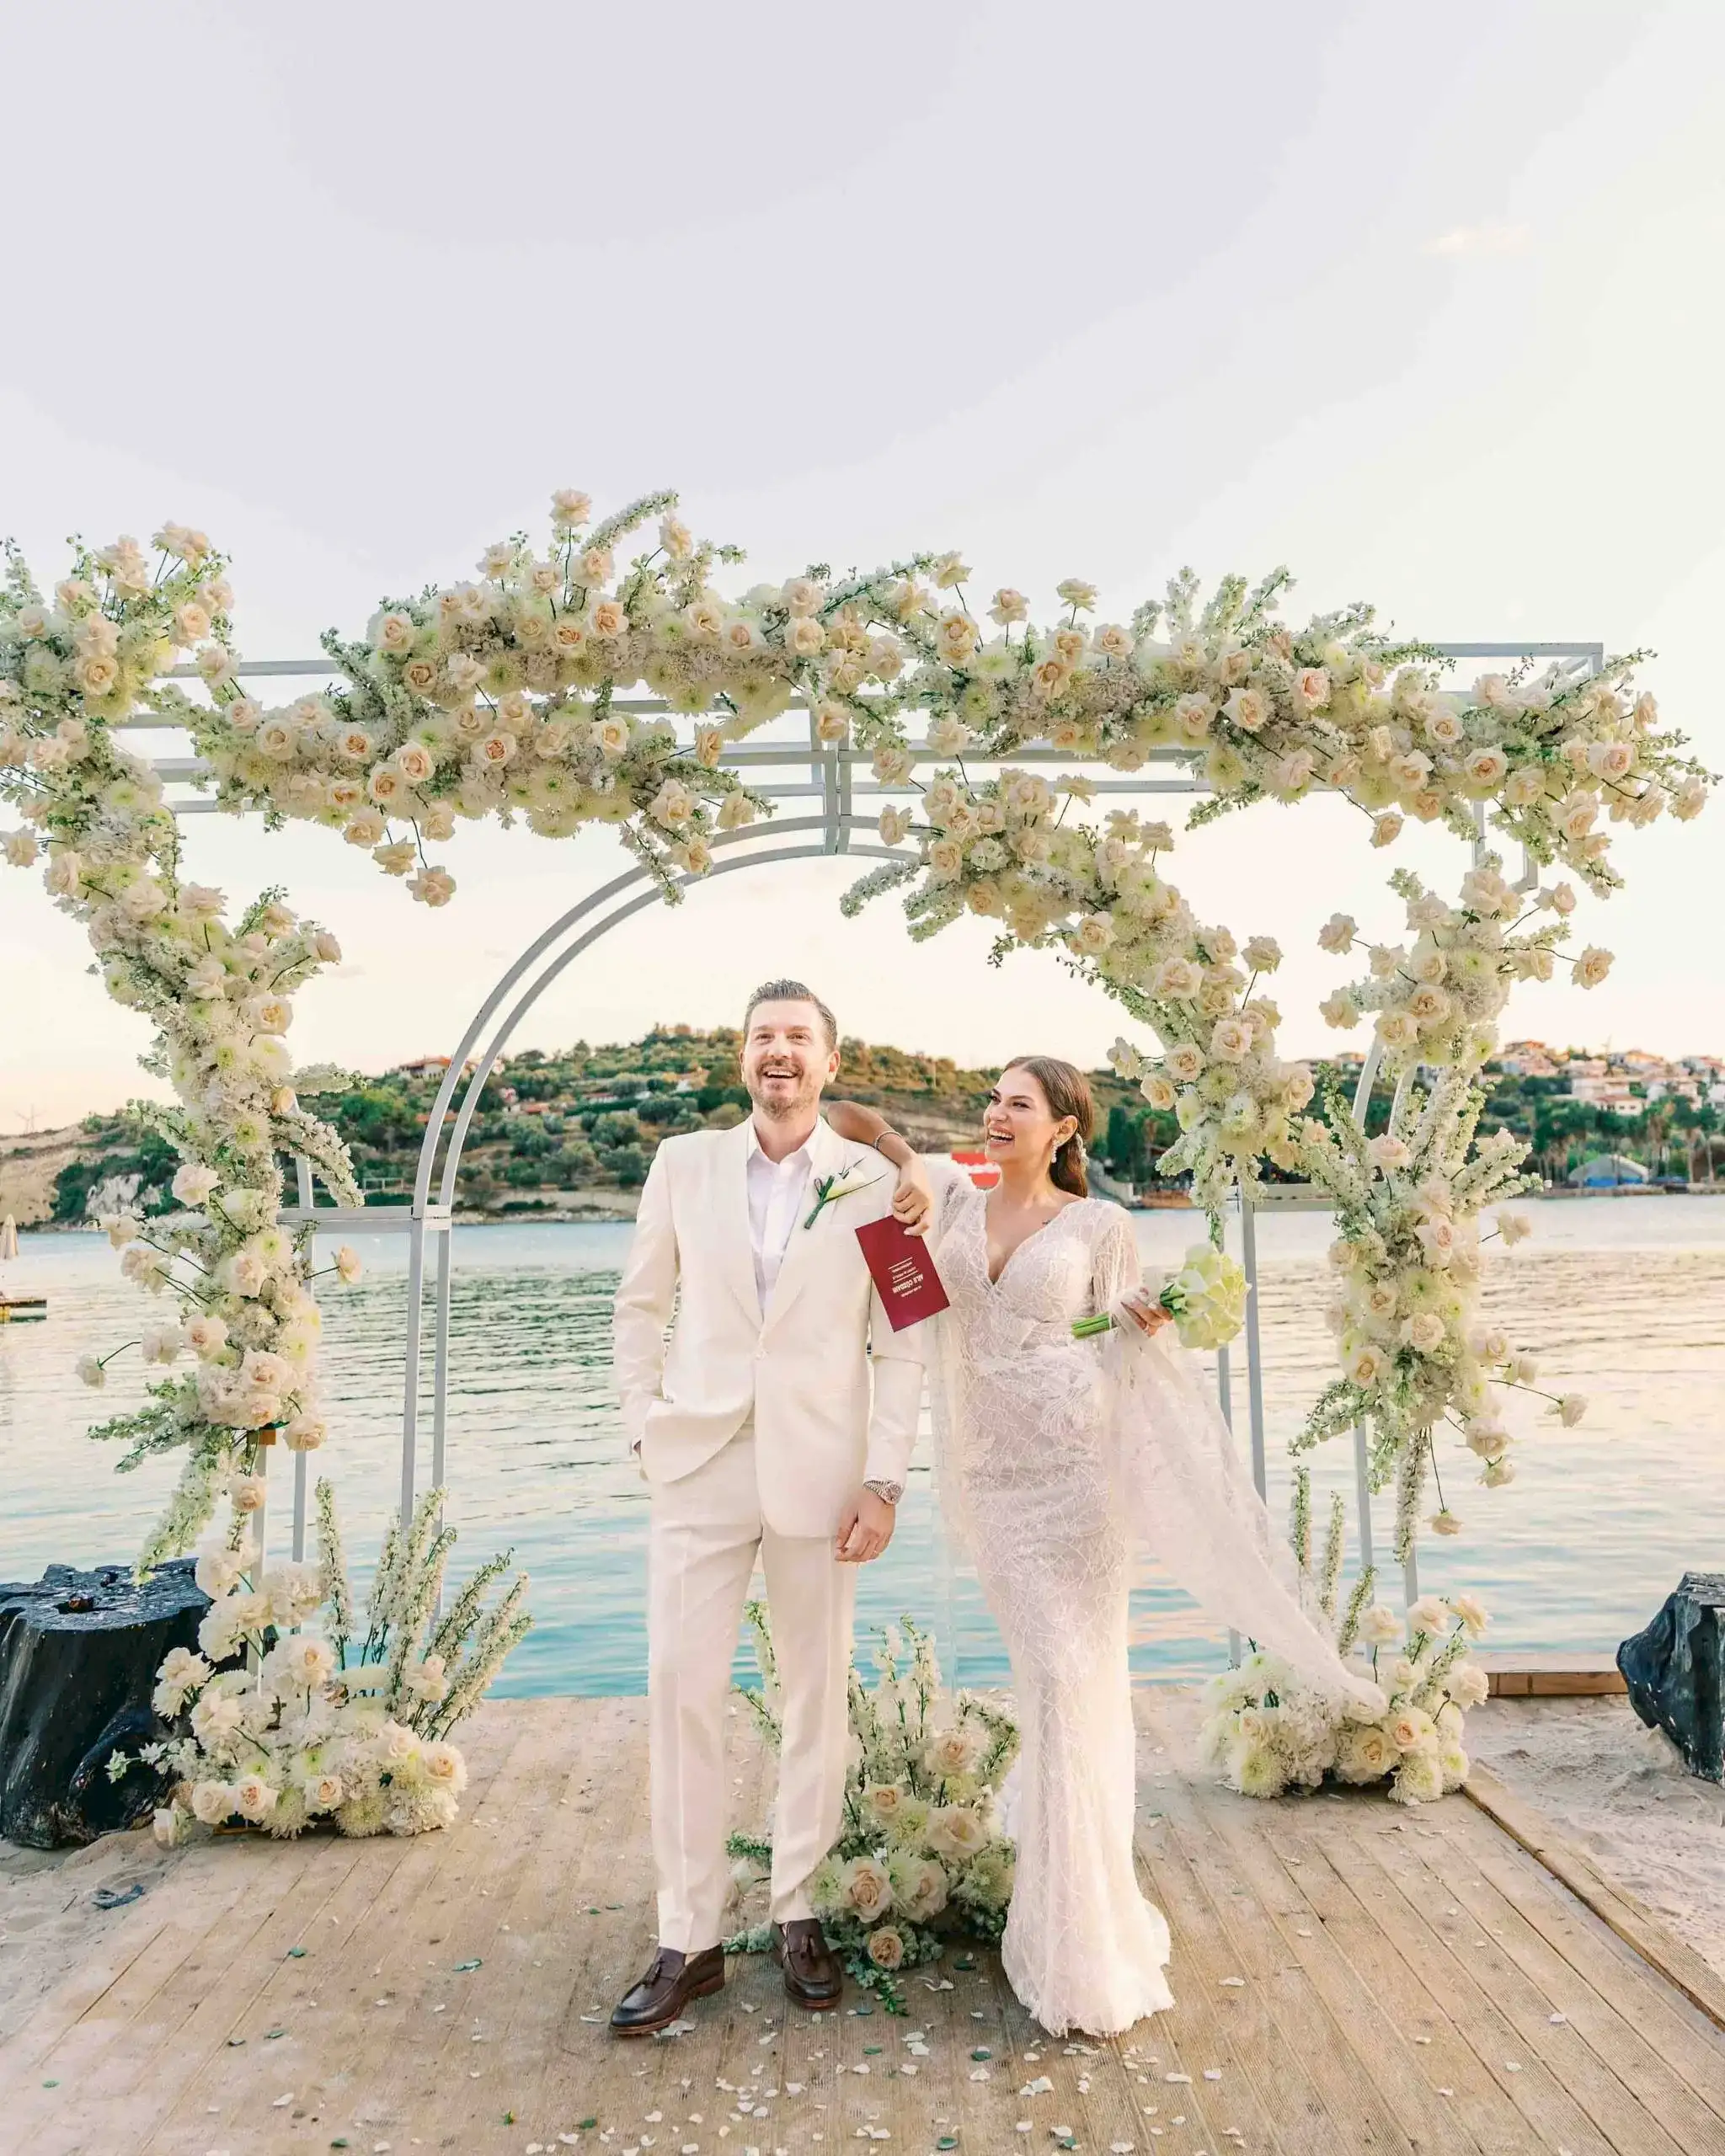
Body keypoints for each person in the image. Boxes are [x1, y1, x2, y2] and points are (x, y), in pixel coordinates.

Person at [826, 1057, 1382, 2037]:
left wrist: (1132, 1319)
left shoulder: (1100, 1225)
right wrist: (895, 1148)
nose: (997, 1113)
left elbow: (1096, 1337)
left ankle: (1076, 1937)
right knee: (1053, 1680)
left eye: (1019, 1103)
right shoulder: (950, 1198)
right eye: (992, 1099)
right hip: (993, 1485)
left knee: (1067, 1685)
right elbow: (844, 1116)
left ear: (1062, 1129)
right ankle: (1062, 1899)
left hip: (1076, 1479)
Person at [609, 979, 929, 2035]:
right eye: (761, 1036)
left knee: (813, 1696)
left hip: (824, 1475)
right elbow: (638, 1305)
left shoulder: (878, 1183)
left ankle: (798, 1908)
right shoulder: (680, 1162)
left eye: (797, 1037)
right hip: (696, 1462)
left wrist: (885, 1478)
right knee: (679, 1689)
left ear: (830, 1062)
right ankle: (687, 1936)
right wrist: (642, 1425)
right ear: (740, 1056)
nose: (777, 1051)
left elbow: (906, 1336)